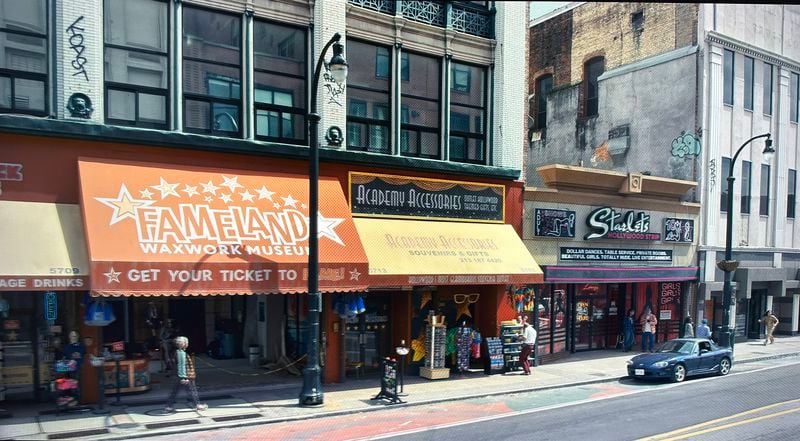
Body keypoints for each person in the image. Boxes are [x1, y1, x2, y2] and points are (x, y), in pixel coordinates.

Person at [165, 336, 207, 412]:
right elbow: (181, 365)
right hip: (186, 375)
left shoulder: (177, 352)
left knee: (175, 391)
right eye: (186, 342)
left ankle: (169, 406)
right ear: (182, 344)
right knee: (192, 390)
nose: (187, 344)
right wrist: (183, 378)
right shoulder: (181, 353)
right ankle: (198, 405)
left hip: (178, 375)